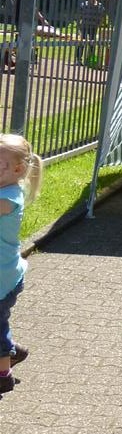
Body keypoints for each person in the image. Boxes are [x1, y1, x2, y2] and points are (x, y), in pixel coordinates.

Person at [0, 133, 42, 393]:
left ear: (17, 170)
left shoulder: (9, 198)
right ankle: (12, 351)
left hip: (3, 278)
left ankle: (3, 376)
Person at [75, 0, 107, 65]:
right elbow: (79, 15)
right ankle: (78, 60)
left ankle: (90, 59)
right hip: (84, 26)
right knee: (82, 42)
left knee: (92, 43)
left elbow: (102, 16)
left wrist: (99, 24)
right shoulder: (84, 5)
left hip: (93, 27)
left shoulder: (99, 6)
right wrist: (78, 24)